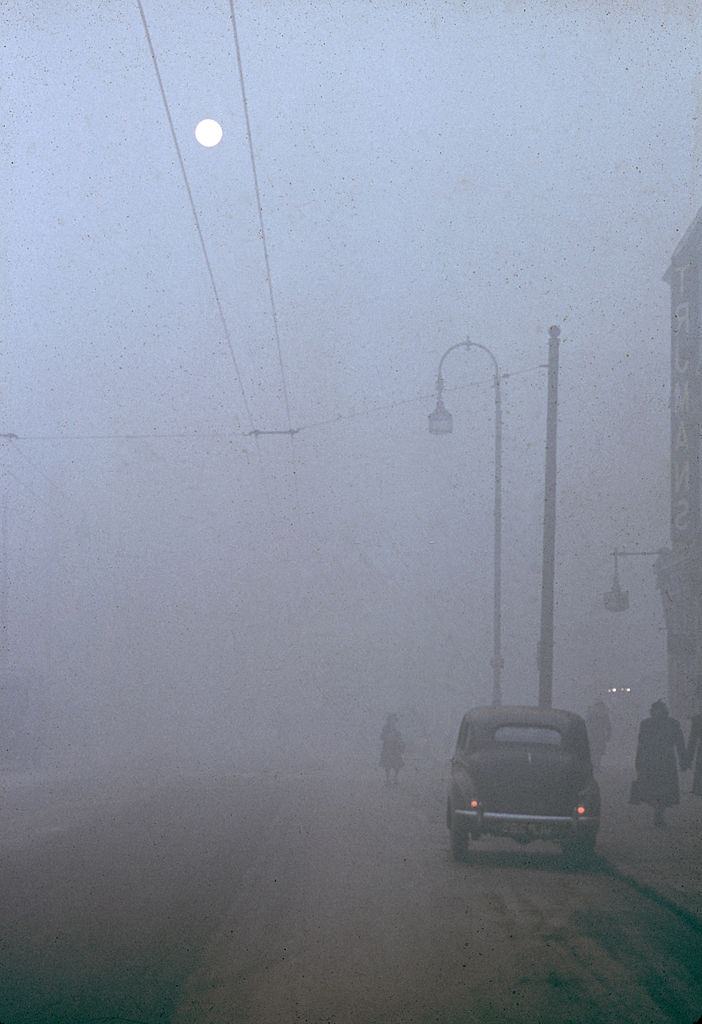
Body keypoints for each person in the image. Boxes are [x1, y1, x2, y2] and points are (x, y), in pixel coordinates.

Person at [631, 700, 687, 829]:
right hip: (654, 761)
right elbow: (641, 745)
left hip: (663, 762)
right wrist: (639, 761)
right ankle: (658, 810)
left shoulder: (668, 724)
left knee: (662, 789)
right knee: (656, 789)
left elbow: (679, 743)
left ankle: (659, 811)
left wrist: (683, 760)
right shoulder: (649, 724)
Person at [586, 699, 612, 770]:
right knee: (595, 751)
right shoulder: (592, 715)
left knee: (598, 751)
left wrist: (608, 735)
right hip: (595, 735)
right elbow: (587, 725)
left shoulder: (603, 715)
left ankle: (596, 765)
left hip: (599, 735)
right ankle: (595, 765)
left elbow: (608, 726)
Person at [380, 714, 405, 786]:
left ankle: (395, 778)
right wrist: (387, 737)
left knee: (397, 764)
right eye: (391, 719)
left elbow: (400, 737)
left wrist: (400, 742)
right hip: (387, 748)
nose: (393, 721)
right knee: (387, 764)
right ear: (389, 720)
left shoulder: (397, 728)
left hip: (396, 748)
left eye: (394, 719)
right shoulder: (385, 728)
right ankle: (387, 779)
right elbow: (381, 736)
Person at [685, 711, 702, 797]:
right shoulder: (698, 719)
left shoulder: (698, 719)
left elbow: (692, 740)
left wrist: (688, 758)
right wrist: (688, 758)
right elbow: (692, 740)